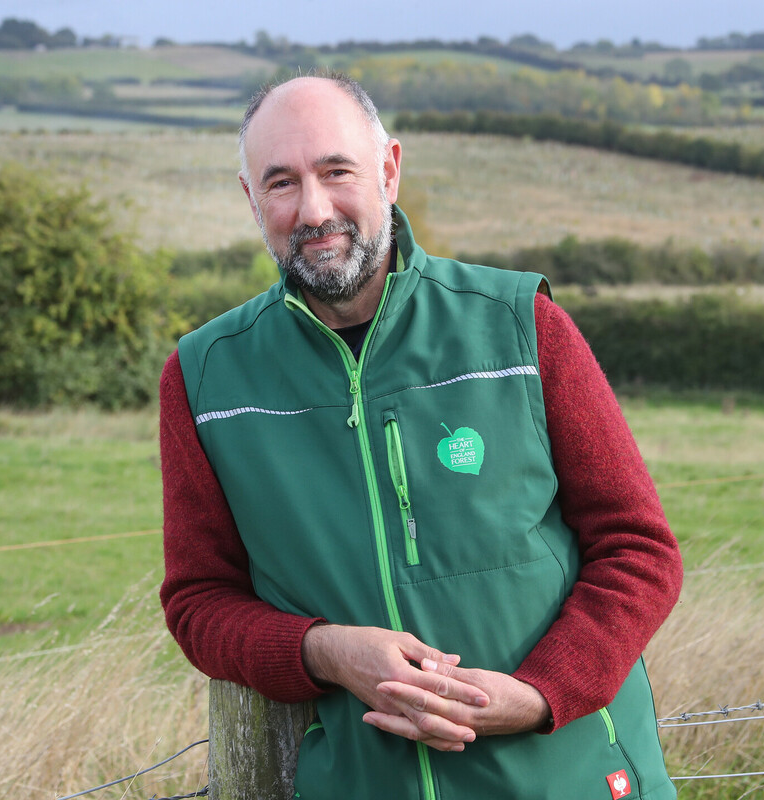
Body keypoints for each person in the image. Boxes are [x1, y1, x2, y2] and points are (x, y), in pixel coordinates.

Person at [159, 73, 682, 799]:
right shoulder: (206, 379)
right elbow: (199, 602)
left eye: (336, 172)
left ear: (389, 170)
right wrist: (325, 652)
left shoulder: (520, 327)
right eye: (281, 183)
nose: (314, 209)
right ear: (252, 200)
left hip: (572, 777)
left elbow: (639, 550)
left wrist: (539, 695)